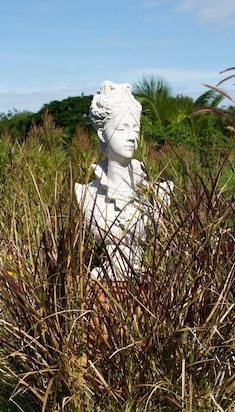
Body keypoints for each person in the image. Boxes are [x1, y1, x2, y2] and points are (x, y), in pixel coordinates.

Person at [74, 81, 172, 280]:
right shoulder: (86, 195)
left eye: (135, 130)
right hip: (106, 279)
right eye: (121, 129)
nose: (131, 137)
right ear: (103, 133)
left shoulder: (158, 194)